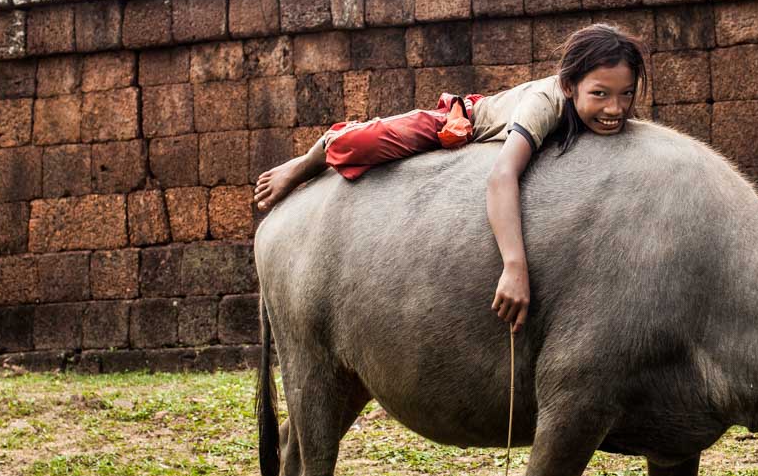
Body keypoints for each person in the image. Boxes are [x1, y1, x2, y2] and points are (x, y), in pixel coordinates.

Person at [252, 23, 648, 332]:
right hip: (464, 121)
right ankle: (305, 161)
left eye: (625, 95)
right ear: (569, 85)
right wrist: (513, 265)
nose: (615, 108)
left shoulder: (608, 114)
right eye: (600, 94)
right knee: (367, 140)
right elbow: (502, 175)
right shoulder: (544, 104)